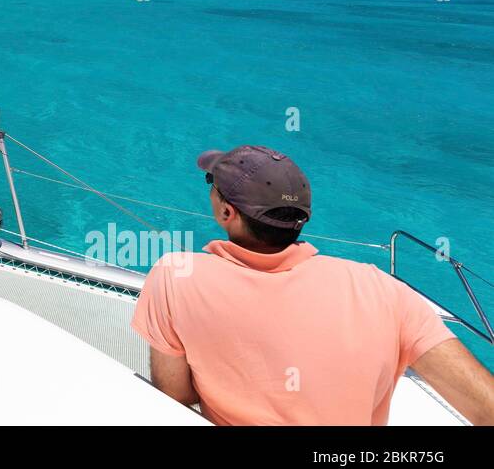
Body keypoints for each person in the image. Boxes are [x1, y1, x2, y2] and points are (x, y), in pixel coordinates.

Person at [132, 144, 494, 425]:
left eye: (212, 184)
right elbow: (486, 407)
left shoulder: (174, 276)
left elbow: (174, 398)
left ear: (227, 213)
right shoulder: (384, 290)